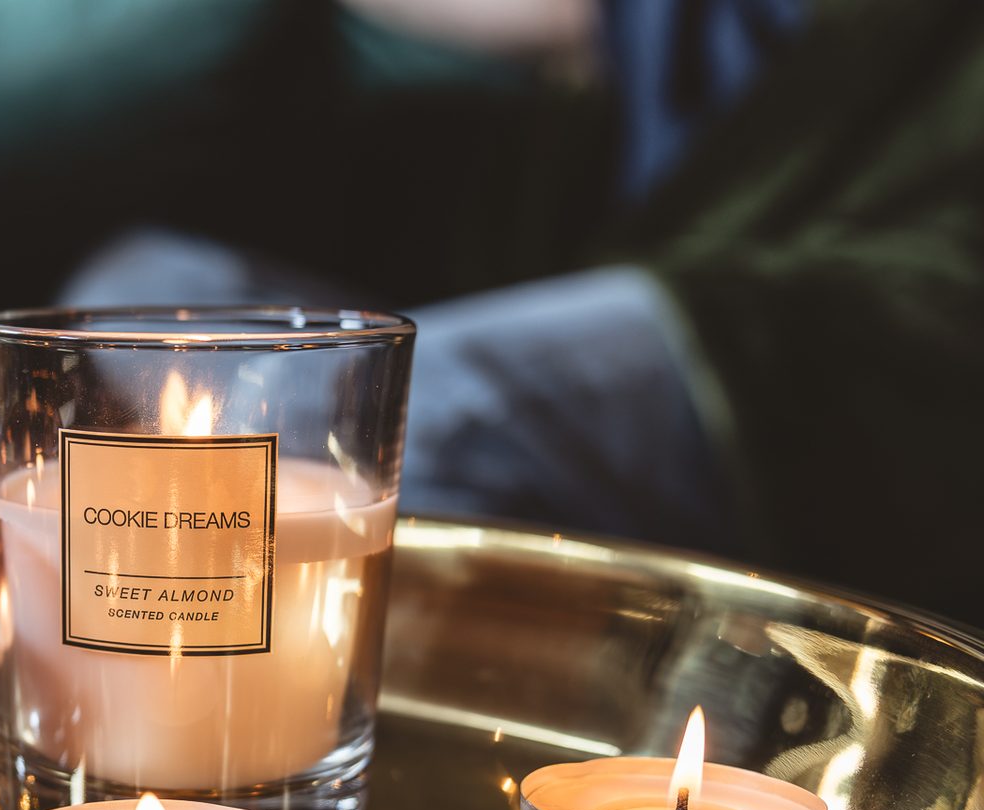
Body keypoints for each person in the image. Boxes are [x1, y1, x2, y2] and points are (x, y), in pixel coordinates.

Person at [60, 0, 984, 620]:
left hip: (894, 294)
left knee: (407, 418)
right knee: (134, 310)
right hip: (618, 214)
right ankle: (164, 734)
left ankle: (307, 779)